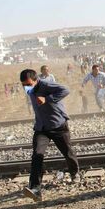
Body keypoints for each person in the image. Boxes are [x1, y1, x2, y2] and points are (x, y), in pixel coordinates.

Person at [20, 69, 80, 201]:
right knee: (37, 155)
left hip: (58, 125)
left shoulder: (46, 85)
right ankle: (35, 188)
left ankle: (75, 173)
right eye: (23, 85)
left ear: (36, 80)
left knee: (68, 152)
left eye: (28, 84)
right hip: (41, 128)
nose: (26, 87)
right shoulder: (29, 89)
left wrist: (47, 99)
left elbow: (65, 90)